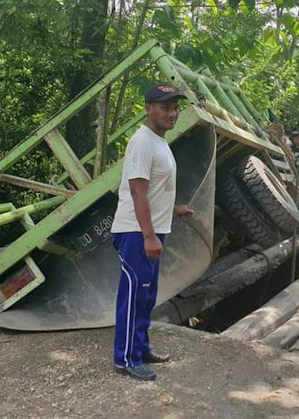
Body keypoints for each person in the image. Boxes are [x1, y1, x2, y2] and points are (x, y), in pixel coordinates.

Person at [110, 83, 194, 381]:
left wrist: (174, 209)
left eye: (175, 108)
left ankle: (141, 348)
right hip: (135, 232)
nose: (172, 113)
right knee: (133, 295)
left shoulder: (160, 142)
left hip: (151, 229)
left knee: (147, 296)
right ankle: (125, 359)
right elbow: (137, 193)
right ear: (148, 108)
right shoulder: (142, 142)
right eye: (165, 107)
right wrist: (148, 236)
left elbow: (154, 191)